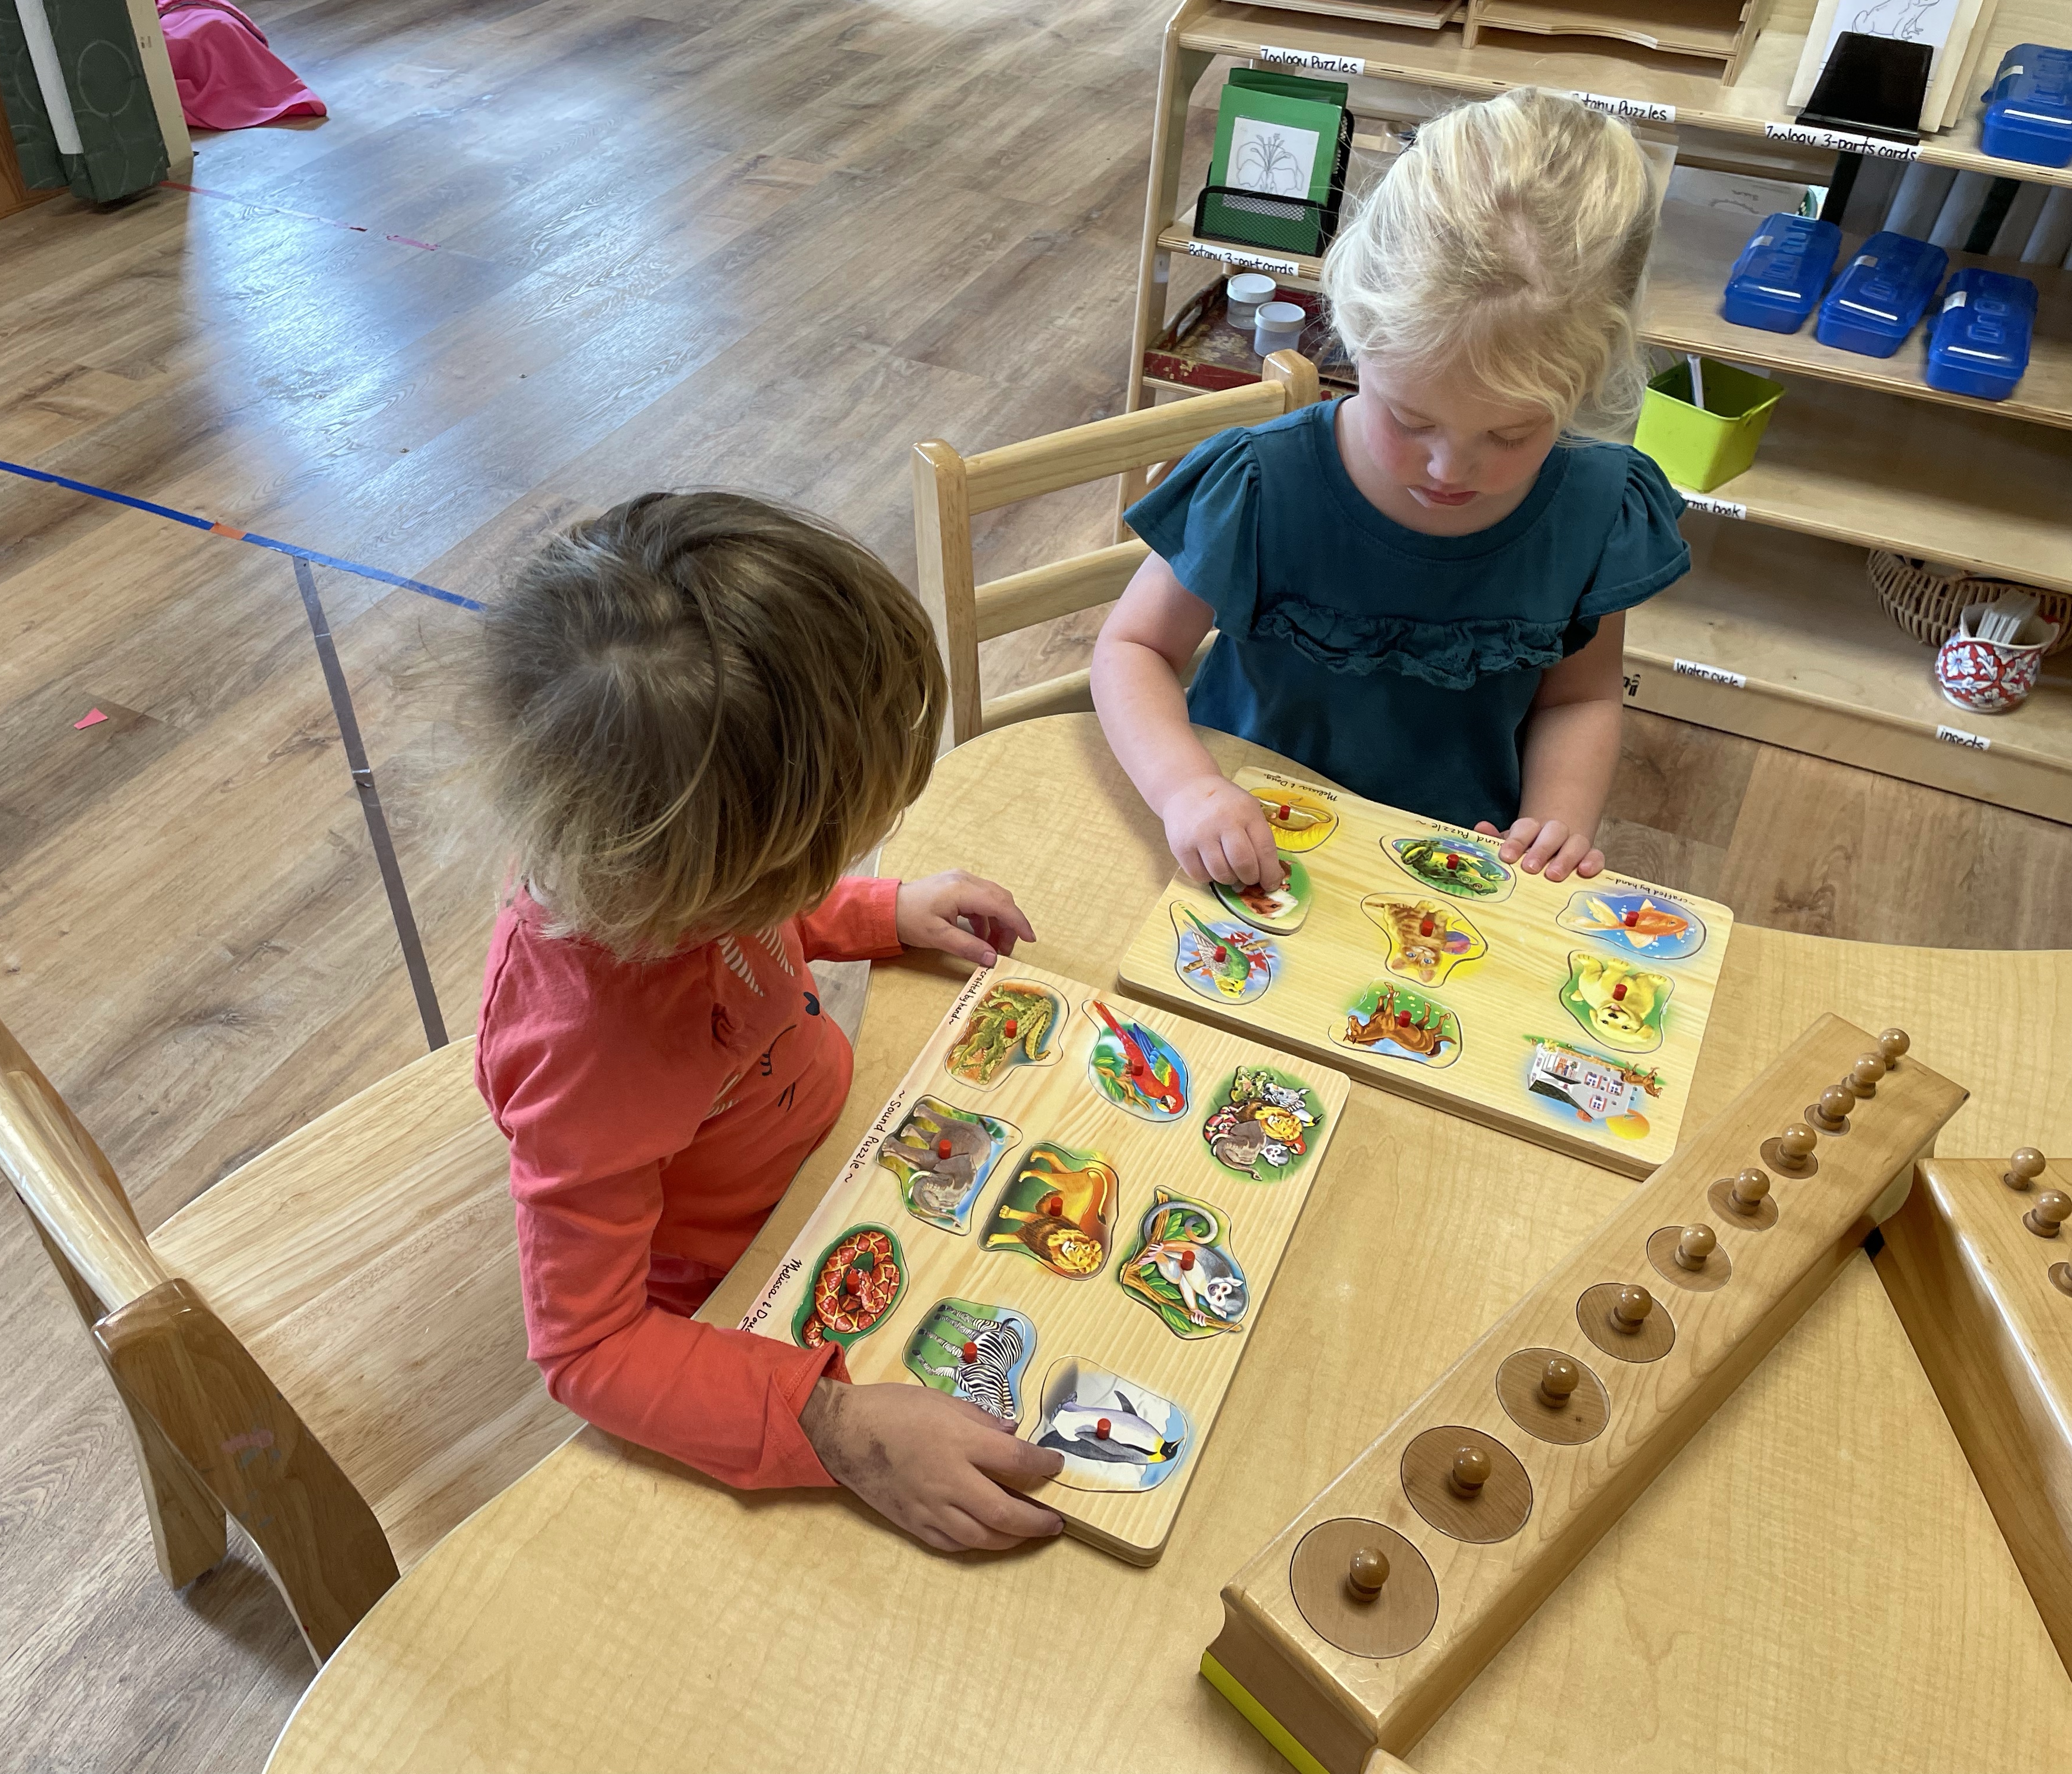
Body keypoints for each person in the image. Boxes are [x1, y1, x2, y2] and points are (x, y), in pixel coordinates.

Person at [470, 490, 1066, 1553]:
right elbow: (588, 1350)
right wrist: (837, 1429)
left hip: (843, 1161)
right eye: (819, 857)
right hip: (743, 1282)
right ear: (707, 883)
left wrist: (878, 910)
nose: (834, 872)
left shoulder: (653, 857)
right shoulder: (590, 1056)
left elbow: (764, 919)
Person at [1093, 86, 1690, 891]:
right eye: (1410, 419)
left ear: (1587, 383)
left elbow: (1579, 699)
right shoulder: (1263, 484)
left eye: (1511, 436)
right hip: (1248, 840)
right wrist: (1185, 789)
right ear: (1355, 331)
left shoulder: (1595, 510)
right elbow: (1133, 649)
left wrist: (1557, 820)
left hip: (1455, 863)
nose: (1449, 469)